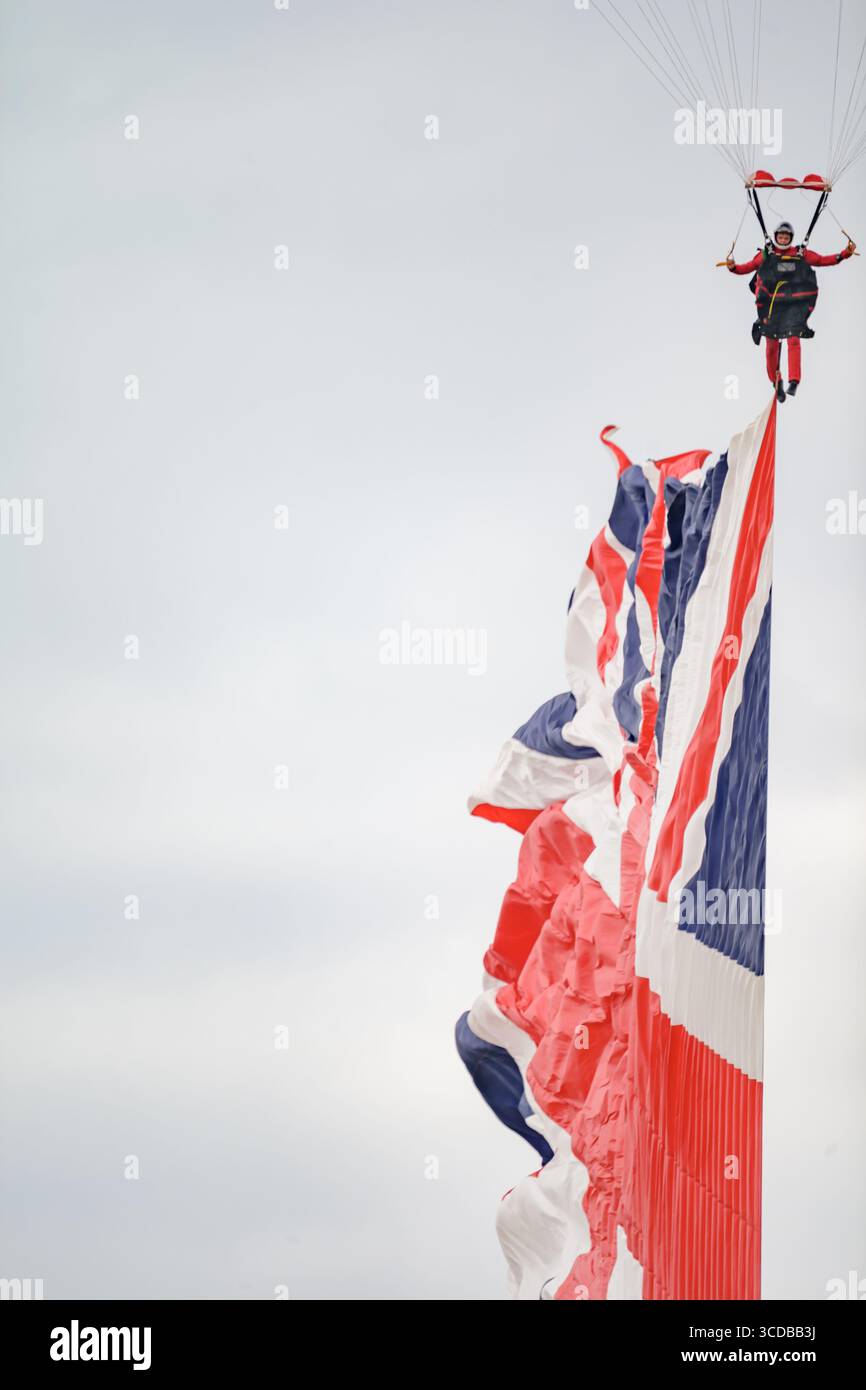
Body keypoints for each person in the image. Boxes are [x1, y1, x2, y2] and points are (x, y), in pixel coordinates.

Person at [727, 220, 856, 401]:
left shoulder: (799, 253)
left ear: (791, 238)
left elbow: (821, 260)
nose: (783, 239)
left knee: (793, 338)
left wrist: (843, 255)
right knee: (772, 345)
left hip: (793, 305)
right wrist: (732, 267)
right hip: (772, 306)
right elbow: (746, 268)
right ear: (775, 236)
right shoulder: (766, 254)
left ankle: (794, 381)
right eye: (780, 236)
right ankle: (776, 381)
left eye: (786, 237)